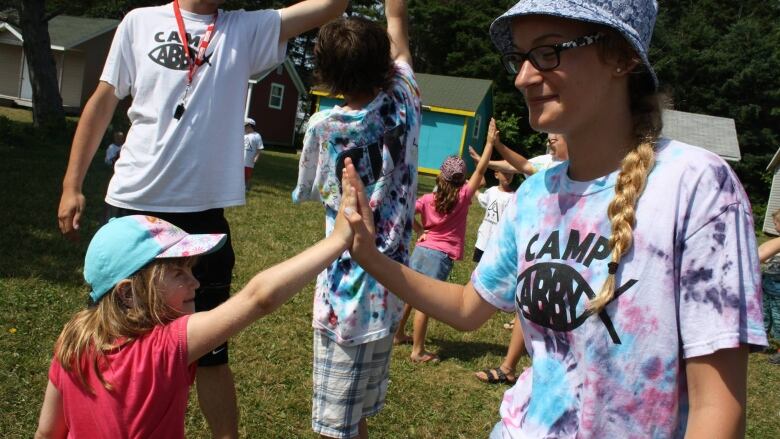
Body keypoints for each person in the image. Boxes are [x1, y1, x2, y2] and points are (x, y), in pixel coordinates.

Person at [340, 0, 768, 436]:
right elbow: (469, 308)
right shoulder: (535, 195)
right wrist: (369, 255)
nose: (523, 77)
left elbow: (717, 409)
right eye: (519, 58)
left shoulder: (696, 185)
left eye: (548, 52)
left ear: (621, 56)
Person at [55, 0, 349, 436]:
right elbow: (103, 101)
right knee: (109, 340)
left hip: (201, 218)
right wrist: (71, 183)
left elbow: (332, 6)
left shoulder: (245, 29)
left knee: (211, 352)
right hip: (132, 206)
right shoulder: (138, 22)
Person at [35, 189, 358, 438]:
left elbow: (48, 432)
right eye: (178, 273)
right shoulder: (163, 346)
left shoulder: (72, 341)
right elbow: (259, 298)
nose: (196, 282)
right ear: (128, 293)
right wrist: (338, 240)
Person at [291, 1, 418, 437]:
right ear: (383, 63)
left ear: (325, 74)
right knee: (355, 418)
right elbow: (398, 25)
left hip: (345, 304)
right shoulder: (405, 99)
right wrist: (395, 11)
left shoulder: (324, 128)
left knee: (336, 428)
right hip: (390, 286)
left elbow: (312, 189)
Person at [393, 137, 494, 363]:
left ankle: (398, 334)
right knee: (425, 303)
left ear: (440, 176)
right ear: (461, 180)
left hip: (420, 250)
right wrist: (489, 143)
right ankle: (418, 351)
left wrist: (420, 230)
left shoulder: (429, 199)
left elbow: (405, 211)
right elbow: (481, 169)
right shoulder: (463, 196)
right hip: (438, 257)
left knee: (411, 296)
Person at [758, 209, 780, 365]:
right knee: (765, 317)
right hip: (767, 288)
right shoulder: (776, 242)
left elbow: (760, 255)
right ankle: (762, 342)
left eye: (777, 222)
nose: (775, 225)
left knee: (779, 322)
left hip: (778, 292)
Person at [243, 118, 264, 190]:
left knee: (247, 175)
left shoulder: (257, 136)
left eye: (244, 126)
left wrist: (257, 156)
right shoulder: (243, 135)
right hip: (240, 159)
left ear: (249, 126)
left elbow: (259, 148)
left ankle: (247, 187)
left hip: (249, 161)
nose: (243, 128)